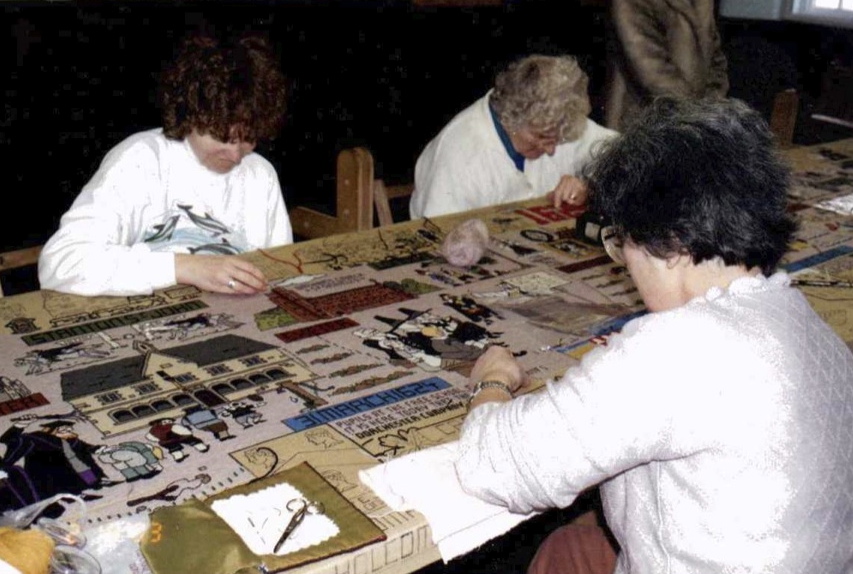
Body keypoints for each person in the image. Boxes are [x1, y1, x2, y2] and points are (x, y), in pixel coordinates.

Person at [454, 97, 853, 573]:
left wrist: (491, 382)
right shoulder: (801, 317)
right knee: (569, 546)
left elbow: (495, 465)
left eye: (623, 243)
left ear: (675, 246)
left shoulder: (678, 351)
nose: (624, 264)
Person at [38, 32, 292, 297]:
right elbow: (61, 262)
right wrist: (183, 268)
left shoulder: (260, 175)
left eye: (248, 140)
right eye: (221, 137)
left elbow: (280, 274)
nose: (235, 155)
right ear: (190, 116)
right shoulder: (140, 160)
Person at [409, 54, 617, 220]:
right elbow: (437, 237)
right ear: (511, 117)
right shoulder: (460, 151)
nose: (551, 149)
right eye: (542, 137)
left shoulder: (555, 124)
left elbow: (627, 155)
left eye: (558, 139)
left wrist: (589, 184)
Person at [604, 0, 729, 131]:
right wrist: (696, 111)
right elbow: (651, 69)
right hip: (643, 121)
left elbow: (715, 59)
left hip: (692, 122)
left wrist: (711, 106)